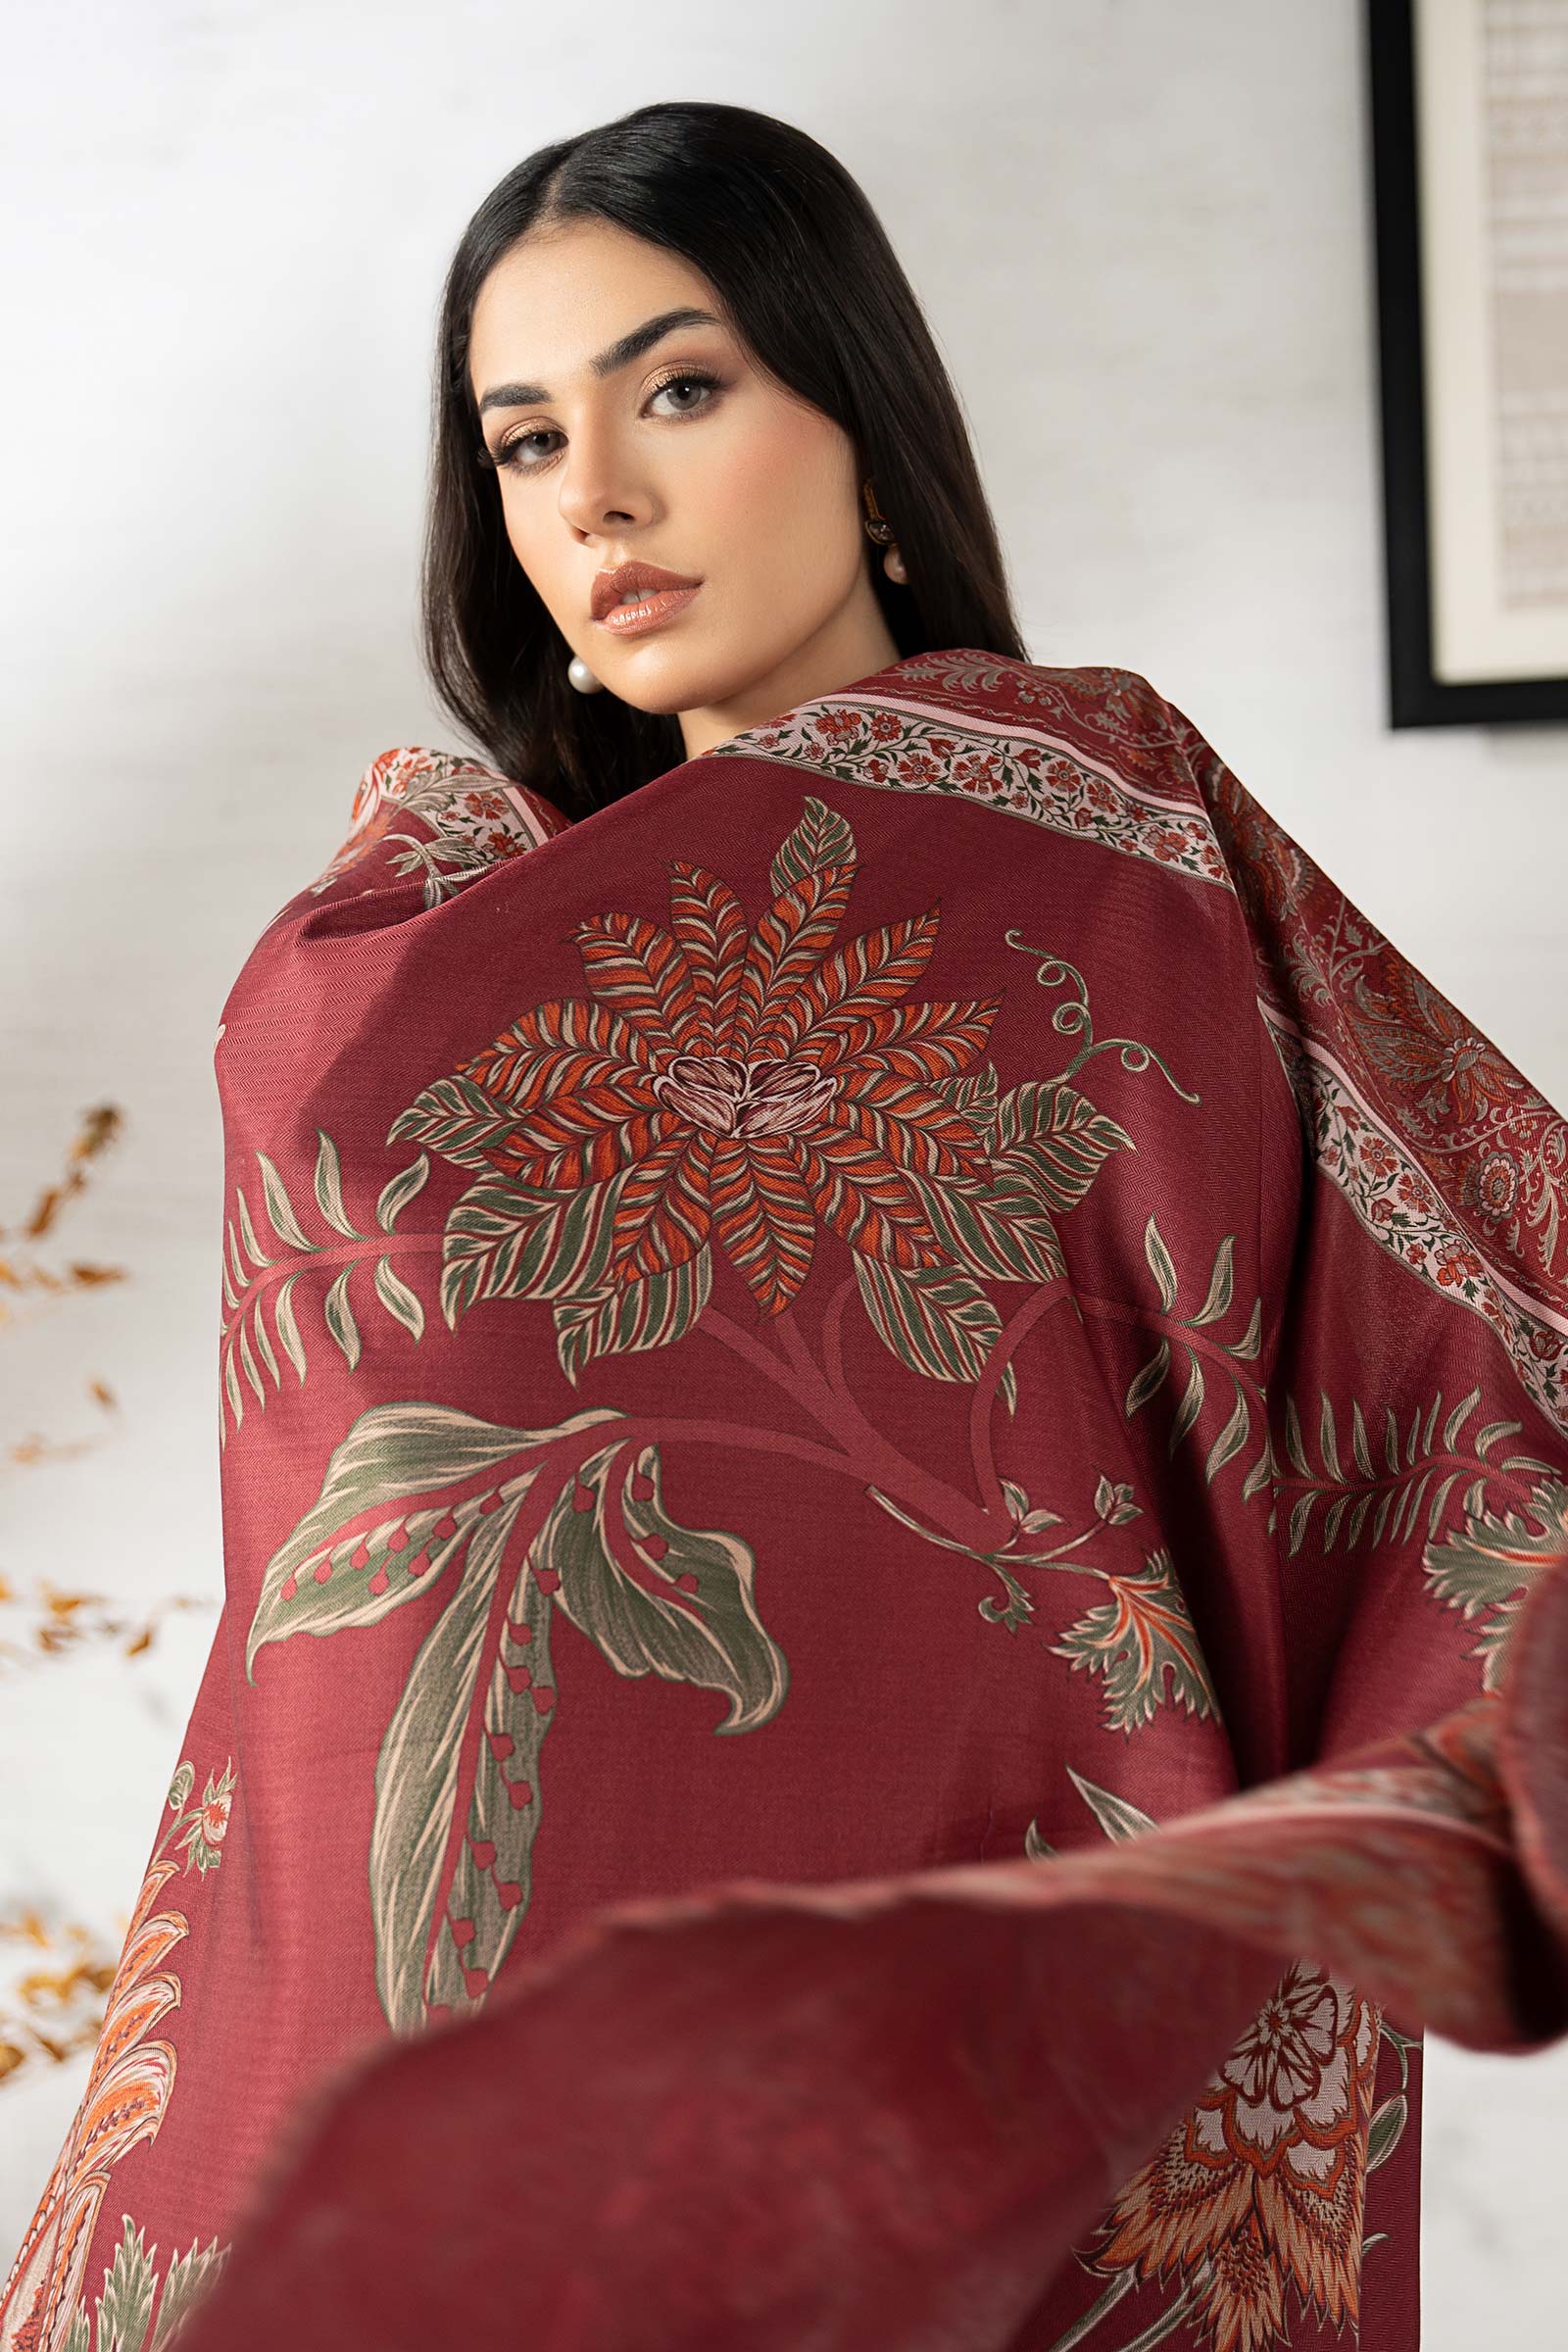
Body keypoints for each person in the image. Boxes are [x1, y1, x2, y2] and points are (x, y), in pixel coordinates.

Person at [5, 98, 1566, 2352]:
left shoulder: (1099, 865)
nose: (594, 497)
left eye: (676, 389)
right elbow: (311, 1659)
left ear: (859, 415)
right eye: (523, 440)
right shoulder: (388, 960)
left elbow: (1458, 1344)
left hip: (989, 2055)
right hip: (439, 2055)